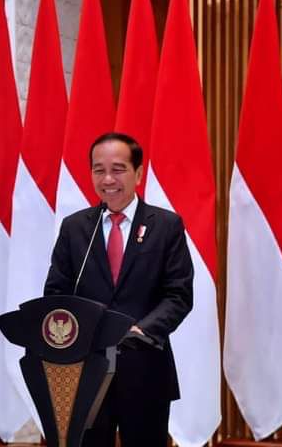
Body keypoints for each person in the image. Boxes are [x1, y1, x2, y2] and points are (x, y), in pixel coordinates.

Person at [43, 132, 193, 446]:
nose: (108, 179)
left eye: (118, 169)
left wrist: (142, 330)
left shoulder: (166, 226)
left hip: (145, 368)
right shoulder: (75, 227)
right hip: (86, 370)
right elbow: (56, 293)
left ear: (138, 173)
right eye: (99, 170)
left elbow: (178, 294)